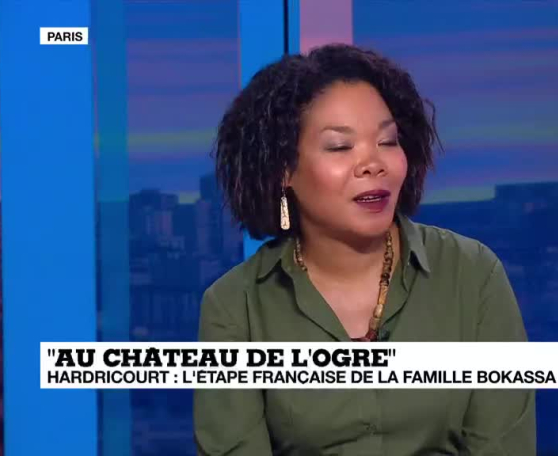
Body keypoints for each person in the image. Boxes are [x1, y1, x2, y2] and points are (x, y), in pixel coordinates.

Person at [194, 43, 535, 455]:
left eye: (388, 141)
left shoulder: (472, 274)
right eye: (340, 147)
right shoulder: (236, 308)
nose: (374, 163)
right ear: (284, 170)